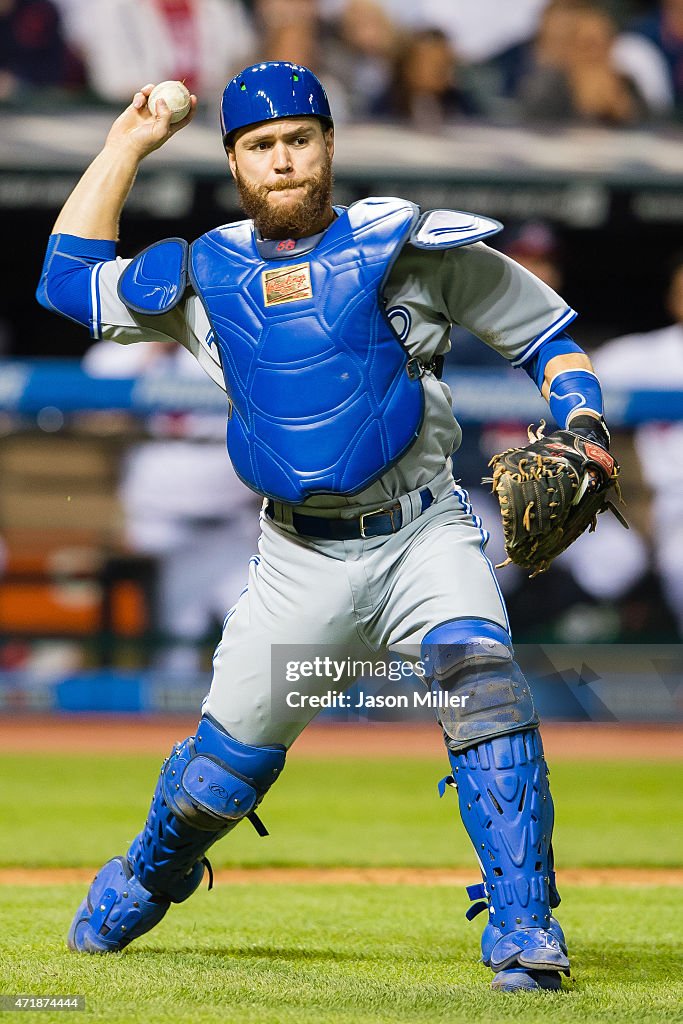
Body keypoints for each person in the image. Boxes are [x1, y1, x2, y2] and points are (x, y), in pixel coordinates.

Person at [36, 61, 615, 991]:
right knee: (216, 783)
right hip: (298, 561)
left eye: (298, 140)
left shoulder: (408, 246)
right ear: (234, 162)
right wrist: (129, 141)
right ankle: (148, 872)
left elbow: (545, 338)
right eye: (259, 147)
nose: (282, 161)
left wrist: (581, 419)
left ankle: (523, 931)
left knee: (485, 697)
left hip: (424, 536)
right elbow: (68, 283)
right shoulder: (202, 274)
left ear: (328, 145)